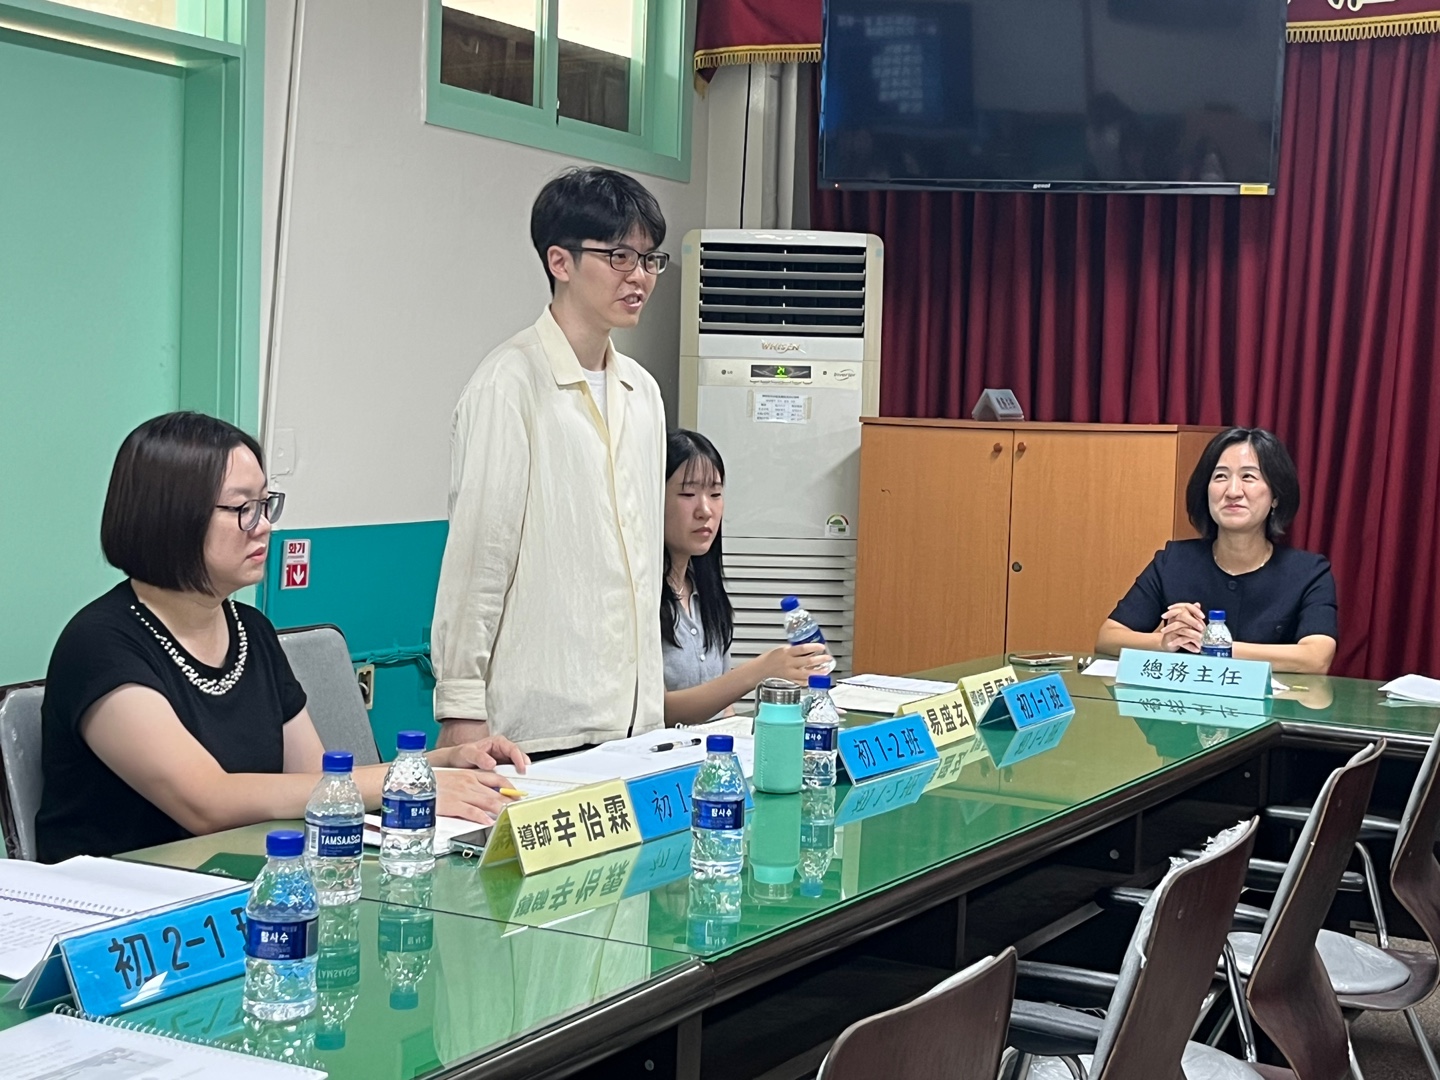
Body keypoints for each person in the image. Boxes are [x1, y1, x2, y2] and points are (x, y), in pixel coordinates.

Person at [36, 413, 527, 864]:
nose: (265, 526)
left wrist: (436, 764)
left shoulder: (250, 630)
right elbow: (205, 802)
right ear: (171, 516)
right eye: (243, 509)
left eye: (265, 504)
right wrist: (399, 781)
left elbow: (315, 780)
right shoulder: (99, 644)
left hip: (241, 882)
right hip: (127, 907)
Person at [431, 167, 669, 754]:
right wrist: (461, 705)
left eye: (648, 259)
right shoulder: (508, 383)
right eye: (619, 256)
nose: (639, 275)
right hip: (538, 729)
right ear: (560, 262)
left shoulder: (643, 391)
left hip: (637, 724)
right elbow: (480, 556)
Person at [1096, 427, 1337, 674]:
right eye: (1220, 476)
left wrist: (1213, 645)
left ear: (1276, 495)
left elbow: (1316, 658)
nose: (1232, 492)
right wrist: (1165, 642)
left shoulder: (1308, 572)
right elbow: (1108, 638)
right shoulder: (1174, 561)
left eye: (1248, 477)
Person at [660, 430, 830, 724]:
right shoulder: (637, 599)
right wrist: (760, 670)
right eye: (688, 494)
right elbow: (660, 712)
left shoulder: (705, 592)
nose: (705, 510)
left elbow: (723, 710)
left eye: (715, 494)